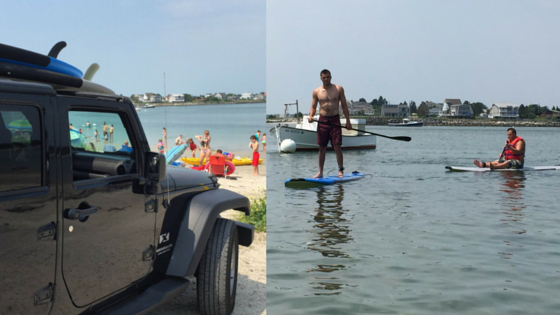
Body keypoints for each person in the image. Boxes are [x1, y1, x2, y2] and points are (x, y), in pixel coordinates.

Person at [309, 69, 352, 178]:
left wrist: (348, 121)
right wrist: (311, 116)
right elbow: (313, 107)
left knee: (337, 146)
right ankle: (320, 172)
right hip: (323, 120)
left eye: (328, 77)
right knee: (322, 147)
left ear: (331, 77)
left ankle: (340, 170)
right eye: (324, 77)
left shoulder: (338, 89)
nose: (326, 79)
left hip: (335, 119)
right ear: (321, 78)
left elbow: (344, 106)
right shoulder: (317, 91)